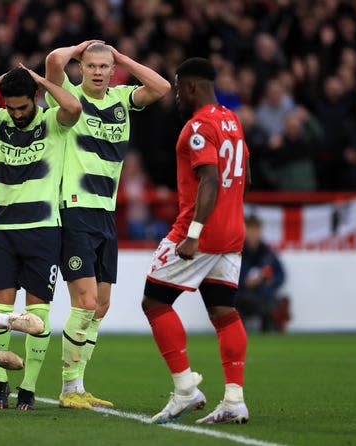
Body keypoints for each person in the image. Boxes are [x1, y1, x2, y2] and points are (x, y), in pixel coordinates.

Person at [44, 40, 170, 409]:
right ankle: (69, 388)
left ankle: (79, 385)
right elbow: (54, 60)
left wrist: (123, 57)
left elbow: (162, 87)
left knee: (100, 305)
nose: (98, 72)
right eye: (91, 65)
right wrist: (83, 47)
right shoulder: (65, 97)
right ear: (81, 68)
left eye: (104, 67)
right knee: (83, 302)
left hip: (106, 213)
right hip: (75, 210)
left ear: (113, 71)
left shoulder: (122, 99)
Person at [0, 65, 81, 410]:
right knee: (1, 312)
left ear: (36, 98)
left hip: (42, 232)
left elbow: (74, 108)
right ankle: (1, 385)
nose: (17, 114)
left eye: (22, 107)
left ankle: (29, 387)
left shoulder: (52, 122)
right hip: (3, 232)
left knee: (37, 313)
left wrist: (39, 79)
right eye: (11, 107)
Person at [140, 58, 251, 425]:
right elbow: (244, 175)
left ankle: (185, 388)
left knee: (155, 301)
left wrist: (194, 234)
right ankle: (234, 399)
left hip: (199, 232)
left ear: (190, 87)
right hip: (232, 232)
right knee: (224, 312)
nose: (175, 94)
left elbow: (209, 179)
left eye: (176, 87)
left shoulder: (199, 126)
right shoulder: (231, 121)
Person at [236, 215, 288, 333]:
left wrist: (271, 280)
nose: (254, 233)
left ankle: (269, 330)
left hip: (263, 294)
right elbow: (228, 275)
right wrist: (244, 282)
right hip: (242, 295)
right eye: (251, 230)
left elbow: (281, 275)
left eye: (256, 230)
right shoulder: (237, 252)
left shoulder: (268, 253)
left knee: (269, 302)